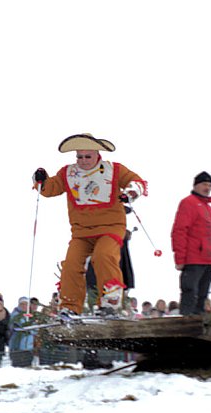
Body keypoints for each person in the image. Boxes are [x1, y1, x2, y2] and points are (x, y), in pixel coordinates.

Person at [33, 133, 147, 314]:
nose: (83, 161)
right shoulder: (69, 173)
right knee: (71, 264)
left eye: (88, 156)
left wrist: (130, 193)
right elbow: (50, 189)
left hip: (110, 227)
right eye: (80, 156)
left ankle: (110, 302)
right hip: (81, 232)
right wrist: (41, 180)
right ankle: (70, 307)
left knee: (103, 256)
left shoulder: (113, 170)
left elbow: (137, 182)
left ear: (97, 154)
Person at [171, 171, 211, 316]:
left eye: (210, 185)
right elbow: (179, 231)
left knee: (202, 295)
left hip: (208, 258)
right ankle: (186, 321)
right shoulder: (189, 203)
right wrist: (180, 258)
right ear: (196, 185)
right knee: (190, 291)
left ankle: (198, 320)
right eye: (204, 184)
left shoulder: (209, 209)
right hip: (194, 257)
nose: (207, 188)